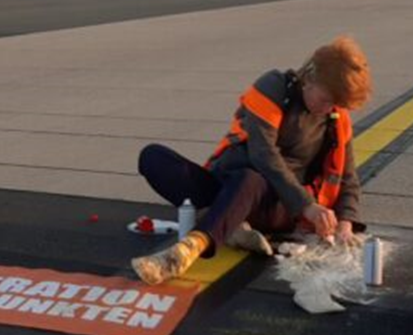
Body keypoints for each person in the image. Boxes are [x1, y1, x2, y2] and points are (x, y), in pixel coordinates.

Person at [131, 36, 372, 285]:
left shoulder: (335, 118)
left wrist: (345, 221)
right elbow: (263, 154)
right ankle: (230, 223)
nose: (330, 108)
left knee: (249, 179)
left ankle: (188, 249)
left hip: (276, 202)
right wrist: (308, 205)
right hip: (228, 184)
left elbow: (347, 176)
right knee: (153, 157)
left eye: (336, 103)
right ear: (310, 77)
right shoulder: (274, 87)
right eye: (326, 99)